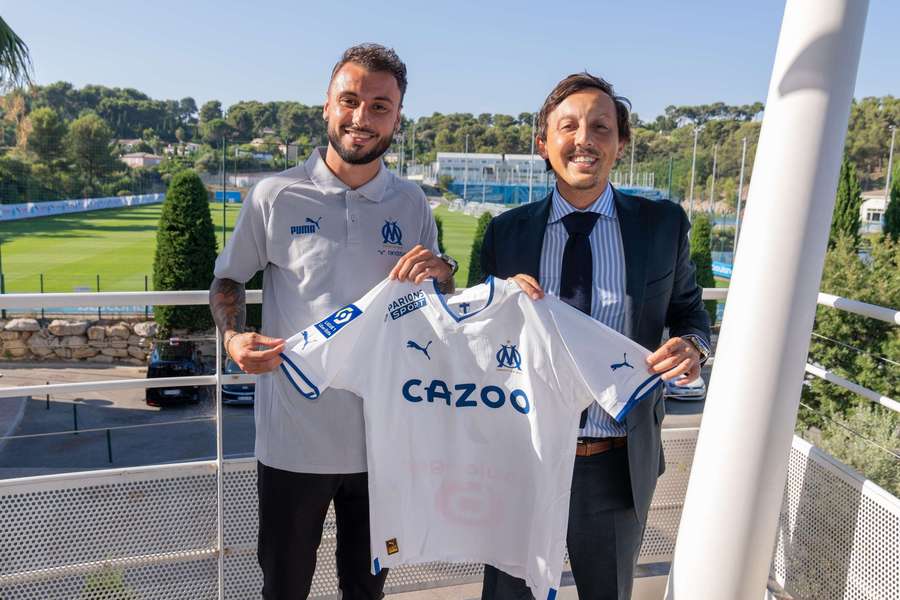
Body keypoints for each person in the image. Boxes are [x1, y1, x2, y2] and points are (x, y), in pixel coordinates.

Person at [209, 43, 456, 600]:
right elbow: (229, 280)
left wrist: (443, 274)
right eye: (350, 100)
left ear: (397, 118)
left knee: (366, 592)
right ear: (326, 106)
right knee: (285, 587)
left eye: (379, 106)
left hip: (385, 444)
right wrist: (233, 337)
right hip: (293, 444)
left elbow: (434, 304)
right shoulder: (274, 195)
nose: (361, 118)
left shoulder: (411, 203)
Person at [479, 72, 711, 600]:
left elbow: (692, 316)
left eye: (601, 127)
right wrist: (496, 305)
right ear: (544, 143)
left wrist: (693, 347)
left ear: (620, 143)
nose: (584, 139)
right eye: (569, 126)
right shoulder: (506, 233)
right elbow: (474, 343)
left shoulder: (662, 225)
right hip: (523, 461)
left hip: (616, 463)